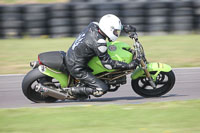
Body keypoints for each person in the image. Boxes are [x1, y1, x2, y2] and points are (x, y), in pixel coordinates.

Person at [65, 14, 139, 99]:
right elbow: (108, 64)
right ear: (109, 29)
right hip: (76, 67)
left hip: (75, 55)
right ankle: (72, 91)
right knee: (101, 89)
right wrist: (128, 65)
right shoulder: (99, 43)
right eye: (115, 31)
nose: (116, 33)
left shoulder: (94, 25)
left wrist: (123, 27)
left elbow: (108, 25)